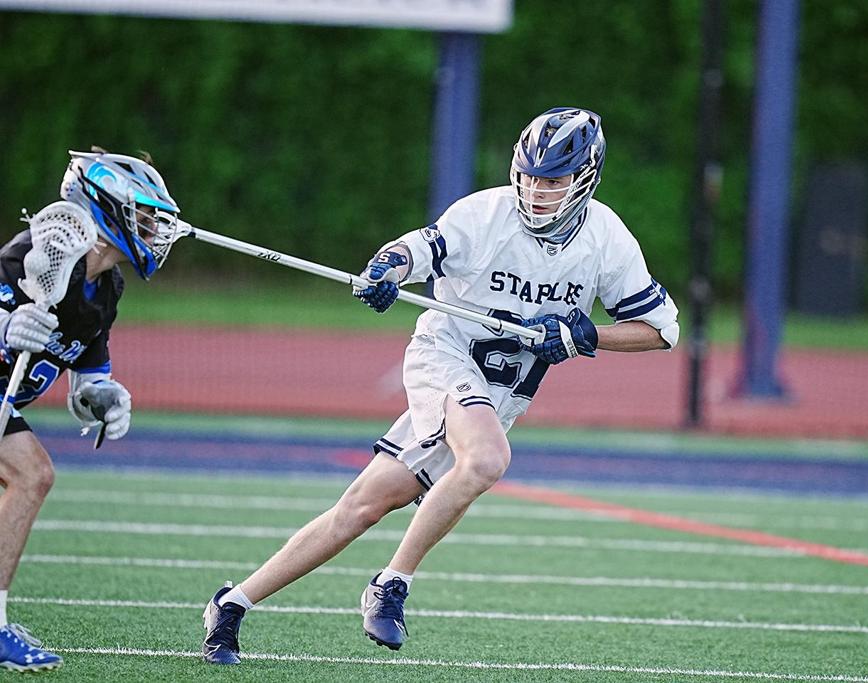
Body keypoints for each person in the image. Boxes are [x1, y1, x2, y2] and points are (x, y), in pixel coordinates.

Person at [201, 107, 679, 663]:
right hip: (444, 357)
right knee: (486, 460)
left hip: (499, 395)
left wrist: (585, 334)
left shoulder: (607, 239)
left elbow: (660, 330)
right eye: (529, 176)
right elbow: (416, 251)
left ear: (586, 179)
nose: (535, 191)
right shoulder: (485, 213)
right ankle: (391, 584)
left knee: (361, 507)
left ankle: (231, 604)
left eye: (553, 181)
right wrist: (385, 270)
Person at [0, 148, 181, 672]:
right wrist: (6, 327)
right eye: (144, 216)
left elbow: (87, 372)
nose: (154, 230)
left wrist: (103, 396)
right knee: (31, 474)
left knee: (31, 476)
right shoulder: (33, 253)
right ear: (108, 206)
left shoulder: (105, 288)